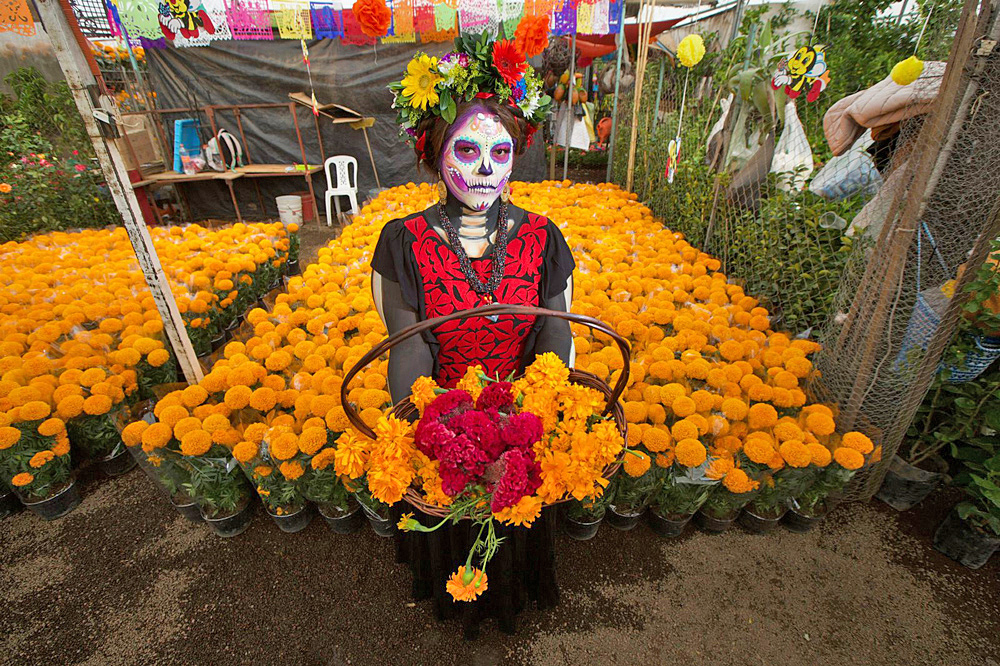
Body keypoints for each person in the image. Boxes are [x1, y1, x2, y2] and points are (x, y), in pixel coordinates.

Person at [369, 39, 571, 637]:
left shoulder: (543, 235)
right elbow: (408, 342)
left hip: (521, 411)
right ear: (433, 153)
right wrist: (428, 431)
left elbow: (554, 330)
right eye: (467, 149)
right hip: (444, 412)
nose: (486, 168)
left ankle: (515, 590)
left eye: (500, 151)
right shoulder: (403, 240)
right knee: (456, 508)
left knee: (516, 501)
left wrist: (537, 415)